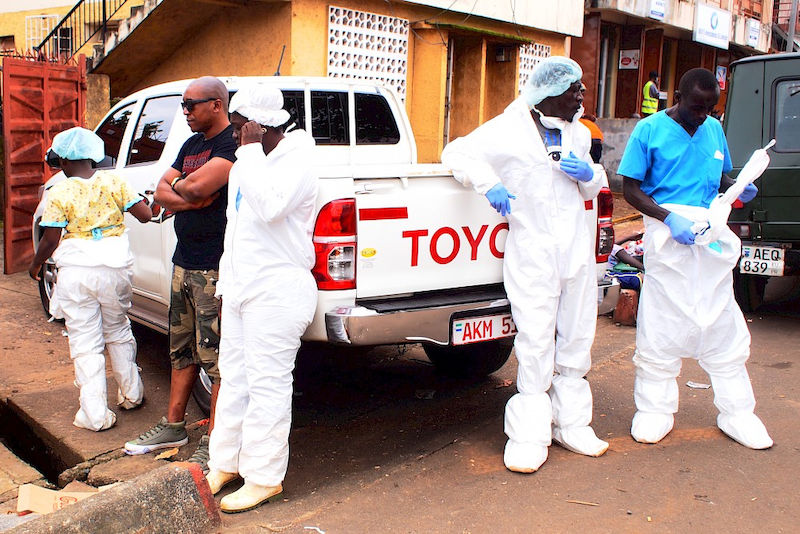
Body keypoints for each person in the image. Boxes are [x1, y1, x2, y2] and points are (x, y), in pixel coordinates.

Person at [441, 56, 609, 473]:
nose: (582, 96)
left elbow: (594, 185)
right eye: (575, 90)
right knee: (535, 341)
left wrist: (588, 173)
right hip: (532, 251)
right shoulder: (509, 130)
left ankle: (572, 424)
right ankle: (528, 435)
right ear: (550, 93)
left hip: (574, 249)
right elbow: (456, 152)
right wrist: (489, 183)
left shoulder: (578, 134)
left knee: (576, 335)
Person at [618, 67, 772, 450]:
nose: (703, 115)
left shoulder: (713, 130)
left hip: (710, 236)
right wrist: (669, 217)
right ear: (679, 97)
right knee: (662, 320)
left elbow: (720, 177)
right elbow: (630, 189)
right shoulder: (649, 130)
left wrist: (738, 187)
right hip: (668, 232)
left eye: (710, 109)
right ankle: (655, 409)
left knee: (721, 319)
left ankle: (737, 412)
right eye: (697, 107)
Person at [204, 84, 318, 512]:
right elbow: (237, 233)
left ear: (258, 126)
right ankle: (226, 463)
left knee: (268, 384)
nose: (233, 137)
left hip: (278, 289)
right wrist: (224, 288)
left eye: (238, 128)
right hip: (241, 287)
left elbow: (271, 206)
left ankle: (265, 477)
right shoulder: (245, 164)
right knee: (233, 377)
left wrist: (250, 152)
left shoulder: (298, 160)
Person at [124, 77, 237, 469]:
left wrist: (187, 190)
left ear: (217, 105)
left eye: (191, 104)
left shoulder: (230, 144)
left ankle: (216, 439)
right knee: (181, 346)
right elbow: (164, 190)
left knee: (217, 356)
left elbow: (202, 185)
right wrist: (189, 197)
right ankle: (174, 424)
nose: (185, 111)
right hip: (183, 260)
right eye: (183, 104)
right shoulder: (191, 145)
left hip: (213, 266)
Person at [29, 127, 151, 431]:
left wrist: (35, 264)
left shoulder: (60, 192)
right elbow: (146, 214)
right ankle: (132, 394)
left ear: (65, 162)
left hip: (77, 273)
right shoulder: (115, 182)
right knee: (118, 329)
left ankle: (95, 414)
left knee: (85, 340)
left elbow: (50, 237)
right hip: (115, 270)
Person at [579, 83, 604, 163]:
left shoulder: (579, 120)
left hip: (591, 139)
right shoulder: (583, 119)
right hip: (597, 138)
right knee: (594, 163)